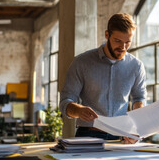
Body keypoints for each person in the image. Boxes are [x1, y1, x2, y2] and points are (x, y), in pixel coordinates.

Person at [59, 13, 147, 143]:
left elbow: (139, 98)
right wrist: (78, 110)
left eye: (127, 42)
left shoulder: (136, 66)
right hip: (87, 134)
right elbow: (65, 102)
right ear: (107, 35)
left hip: (122, 136)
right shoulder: (81, 62)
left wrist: (137, 126)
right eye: (118, 41)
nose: (122, 48)